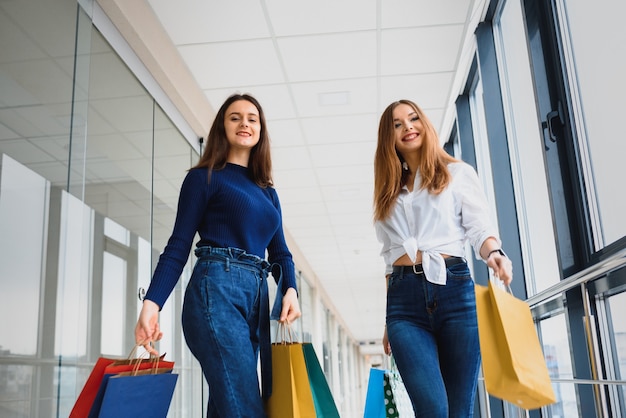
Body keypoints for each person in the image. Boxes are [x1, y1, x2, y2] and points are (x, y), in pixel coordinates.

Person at [134, 93, 301, 417]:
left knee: (227, 406)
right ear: (222, 127)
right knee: (245, 406)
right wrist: (151, 303)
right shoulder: (203, 178)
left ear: (260, 131)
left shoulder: (268, 191)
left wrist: (291, 288)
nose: (244, 123)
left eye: (252, 118)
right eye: (235, 117)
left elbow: (280, 252)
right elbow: (178, 245)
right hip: (216, 290)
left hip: (257, 298)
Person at [373, 99, 513, 417]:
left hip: (455, 292)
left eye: (412, 118)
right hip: (403, 305)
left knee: (458, 409)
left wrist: (495, 253)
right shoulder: (387, 192)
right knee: (433, 408)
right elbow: (389, 259)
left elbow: (480, 228)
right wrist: (387, 319)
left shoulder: (457, 174)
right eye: (397, 124)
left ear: (424, 124)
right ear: (388, 137)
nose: (408, 126)